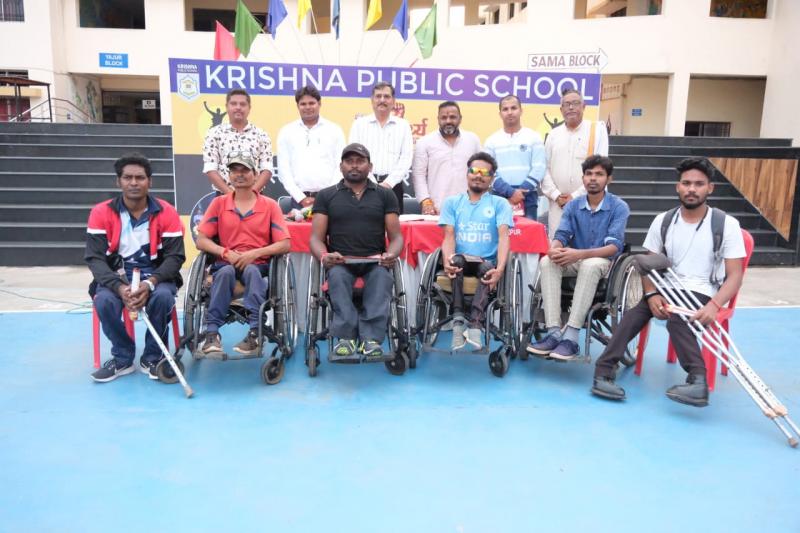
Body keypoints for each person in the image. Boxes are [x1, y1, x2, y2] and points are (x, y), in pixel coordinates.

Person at [592, 157, 745, 407]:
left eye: (698, 184)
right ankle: (603, 372)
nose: (691, 189)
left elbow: (735, 275)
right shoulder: (663, 221)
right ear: (678, 187)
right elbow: (647, 265)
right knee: (631, 316)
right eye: (686, 183)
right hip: (665, 288)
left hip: (702, 290)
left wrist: (715, 305)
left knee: (679, 319)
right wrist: (651, 295)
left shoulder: (726, 224)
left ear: (710, 188)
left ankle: (697, 381)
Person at [86, 153, 185, 382]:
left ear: (149, 182)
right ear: (118, 181)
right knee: (104, 300)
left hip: (156, 275)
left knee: (162, 298)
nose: (133, 183)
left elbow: (175, 257)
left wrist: (150, 284)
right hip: (116, 275)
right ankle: (122, 358)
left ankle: (152, 357)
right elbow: (95, 259)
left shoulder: (166, 211)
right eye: (127, 177)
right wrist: (119, 287)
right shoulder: (101, 212)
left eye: (140, 178)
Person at [527, 155, 629, 360]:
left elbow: (613, 247)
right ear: (583, 179)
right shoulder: (574, 205)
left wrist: (579, 254)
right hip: (576, 257)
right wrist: (554, 249)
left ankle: (571, 337)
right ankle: (554, 331)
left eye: (599, 174)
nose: (593, 178)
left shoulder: (618, 207)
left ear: (609, 179)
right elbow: (562, 235)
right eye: (589, 174)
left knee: (590, 265)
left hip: (603, 261)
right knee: (548, 262)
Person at [309, 143, 403, 359]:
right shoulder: (326, 195)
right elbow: (315, 238)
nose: (354, 165)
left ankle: (370, 340)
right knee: (338, 278)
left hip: (375, 262)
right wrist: (325, 256)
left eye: (360, 161)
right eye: (349, 161)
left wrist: (391, 254)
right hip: (341, 262)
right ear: (341, 166)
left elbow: (396, 237)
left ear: (369, 166)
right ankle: (346, 338)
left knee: (382, 278)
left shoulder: (385, 195)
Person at [195, 153, 291, 356]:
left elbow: (284, 244)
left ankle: (255, 331)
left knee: (252, 272)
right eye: (234, 171)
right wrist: (225, 252)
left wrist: (255, 254)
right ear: (228, 176)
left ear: (255, 175)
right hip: (226, 263)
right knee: (225, 273)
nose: (239, 175)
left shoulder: (270, 205)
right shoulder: (219, 203)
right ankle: (212, 333)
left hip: (259, 265)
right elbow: (202, 240)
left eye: (245, 170)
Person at [439, 152, 513, 351]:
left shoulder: (500, 204)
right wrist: (446, 259)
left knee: (489, 268)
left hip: (485, 262)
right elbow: (448, 236)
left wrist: (501, 269)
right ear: (467, 173)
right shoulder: (452, 202)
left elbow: (504, 236)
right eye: (474, 171)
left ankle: (475, 324)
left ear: (492, 178)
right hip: (461, 259)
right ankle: (457, 319)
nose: (478, 175)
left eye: (484, 172)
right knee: (455, 261)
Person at [541, 88, 609, 238]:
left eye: (575, 103)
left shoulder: (597, 131)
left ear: (584, 106)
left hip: (588, 202)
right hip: (559, 205)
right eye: (566, 104)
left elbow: (601, 169)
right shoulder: (553, 135)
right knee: (558, 248)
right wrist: (556, 195)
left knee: (585, 249)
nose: (571, 107)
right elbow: (544, 169)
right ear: (561, 109)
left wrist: (575, 196)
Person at [276, 85, 346, 210]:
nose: (307, 107)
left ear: (319, 104)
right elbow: (283, 170)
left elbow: (340, 166)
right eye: (303, 104)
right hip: (298, 201)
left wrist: (326, 196)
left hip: (330, 199)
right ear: (297, 106)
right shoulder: (287, 132)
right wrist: (301, 198)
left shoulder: (334, 130)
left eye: (311, 103)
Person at [349, 82, 413, 214]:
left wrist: (388, 184)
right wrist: (372, 182)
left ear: (393, 101)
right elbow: (353, 157)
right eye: (378, 96)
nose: (382, 100)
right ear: (372, 100)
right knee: (364, 227)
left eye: (386, 96)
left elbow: (406, 158)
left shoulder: (403, 125)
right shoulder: (359, 124)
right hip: (363, 185)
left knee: (393, 231)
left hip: (393, 187)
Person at [412, 101, 481, 215]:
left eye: (453, 117)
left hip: (469, 207)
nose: (448, 121)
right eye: (444, 117)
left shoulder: (473, 140)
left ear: (460, 118)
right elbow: (418, 175)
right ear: (438, 119)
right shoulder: (425, 142)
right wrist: (425, 201)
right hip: (436, 208)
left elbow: (482, 171)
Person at [484, 95, 546, 221]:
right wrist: (510, 192)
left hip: (527, 198)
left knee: (527, 238)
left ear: (521, 110)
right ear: (500, 114)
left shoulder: (533, 137)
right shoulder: (491, 141)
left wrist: (520, 192)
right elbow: (488, 171)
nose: (510, 112)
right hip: (500, 196)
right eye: (505, 109)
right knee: (498, 238)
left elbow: (539, 167)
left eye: (514, 108)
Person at [202, 89, 273, 194]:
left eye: (243, 104)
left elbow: (267, 169)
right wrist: (232, 195)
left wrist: (251, 194)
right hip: (224, 196)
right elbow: (210, 168)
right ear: (227, 107)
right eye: (234, 104)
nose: (238, 107)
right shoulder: (214, 134)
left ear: (249, 108)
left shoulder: (261, 135)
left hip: (255, 196)